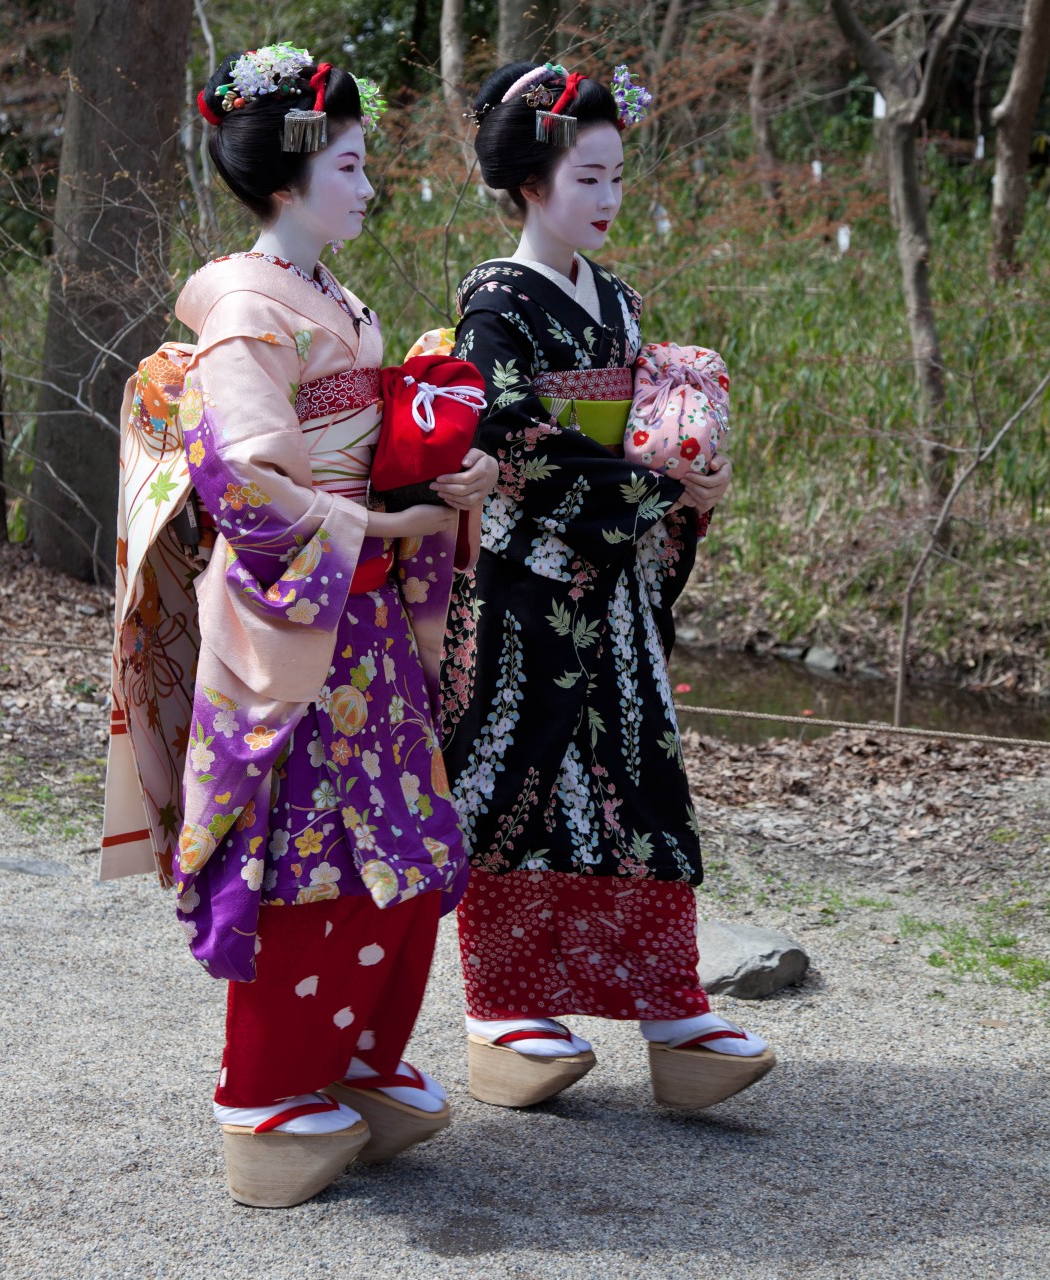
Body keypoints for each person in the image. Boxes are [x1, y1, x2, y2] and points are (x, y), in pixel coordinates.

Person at [104, 42, 496, 1207]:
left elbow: (365, 449)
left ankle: (355, 1059)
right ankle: (267, 1089)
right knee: (310, 859)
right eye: (350, 163)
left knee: (405, 844)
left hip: (359, 617)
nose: (369, 184)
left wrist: (446, 480)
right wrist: (387, 521)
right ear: (287, 179)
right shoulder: (244, 309)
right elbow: (248, 486)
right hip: (298, 618)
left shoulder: (332, 299)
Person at [438, 61, 774, 1112]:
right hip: (529, 577)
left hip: (616, 584)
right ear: (533, 179)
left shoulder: (617, 300)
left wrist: (695, 475)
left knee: (639, 774)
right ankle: (501, 1007)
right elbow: (501, 427)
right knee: (515, 776)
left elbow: (652, 419)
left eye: (617, 176)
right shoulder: (494, 299)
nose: (610, 197)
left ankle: (670, 1004)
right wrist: (645, 483)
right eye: (590, 177)